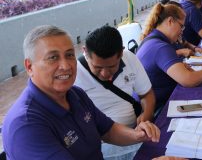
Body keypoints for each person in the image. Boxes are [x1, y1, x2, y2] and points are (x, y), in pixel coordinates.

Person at [2, 25, 160, 159]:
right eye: (53, 57)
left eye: (69, 55)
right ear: (29, 67)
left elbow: (108, 130)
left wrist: (138, 135)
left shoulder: (75, 94)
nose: (65, 65)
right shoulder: (26, 125)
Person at [75, 25, 156, 160]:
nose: (105, 74)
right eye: (97, 67)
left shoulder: (129, 58)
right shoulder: (74, 74)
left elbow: (147, 94)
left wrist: (146, 116)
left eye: (112, 66)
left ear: (122, 52)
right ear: (85, 52)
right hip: (103, 143)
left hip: (135, 132)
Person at [137, 3, 202, 111]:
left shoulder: (154, 39)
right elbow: (188, 80)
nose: (181, 32)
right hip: (157, 109)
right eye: (181, 26)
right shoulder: (160, 47)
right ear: (170, 21)